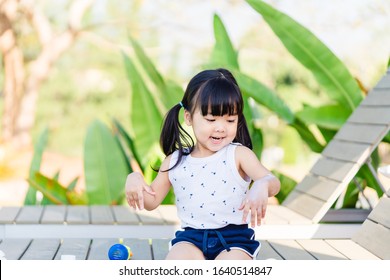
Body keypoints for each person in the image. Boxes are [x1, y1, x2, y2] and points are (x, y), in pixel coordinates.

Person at [125, 68, 280, 260]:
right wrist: (134, 178)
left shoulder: (239, 154)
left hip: (234, 241)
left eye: (230, 120)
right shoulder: (174, 161)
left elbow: (273, 182)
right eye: (211, 119)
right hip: (191, 239)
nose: (221, 127)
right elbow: (151, 202)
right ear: (189, 118)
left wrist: (262, 184)